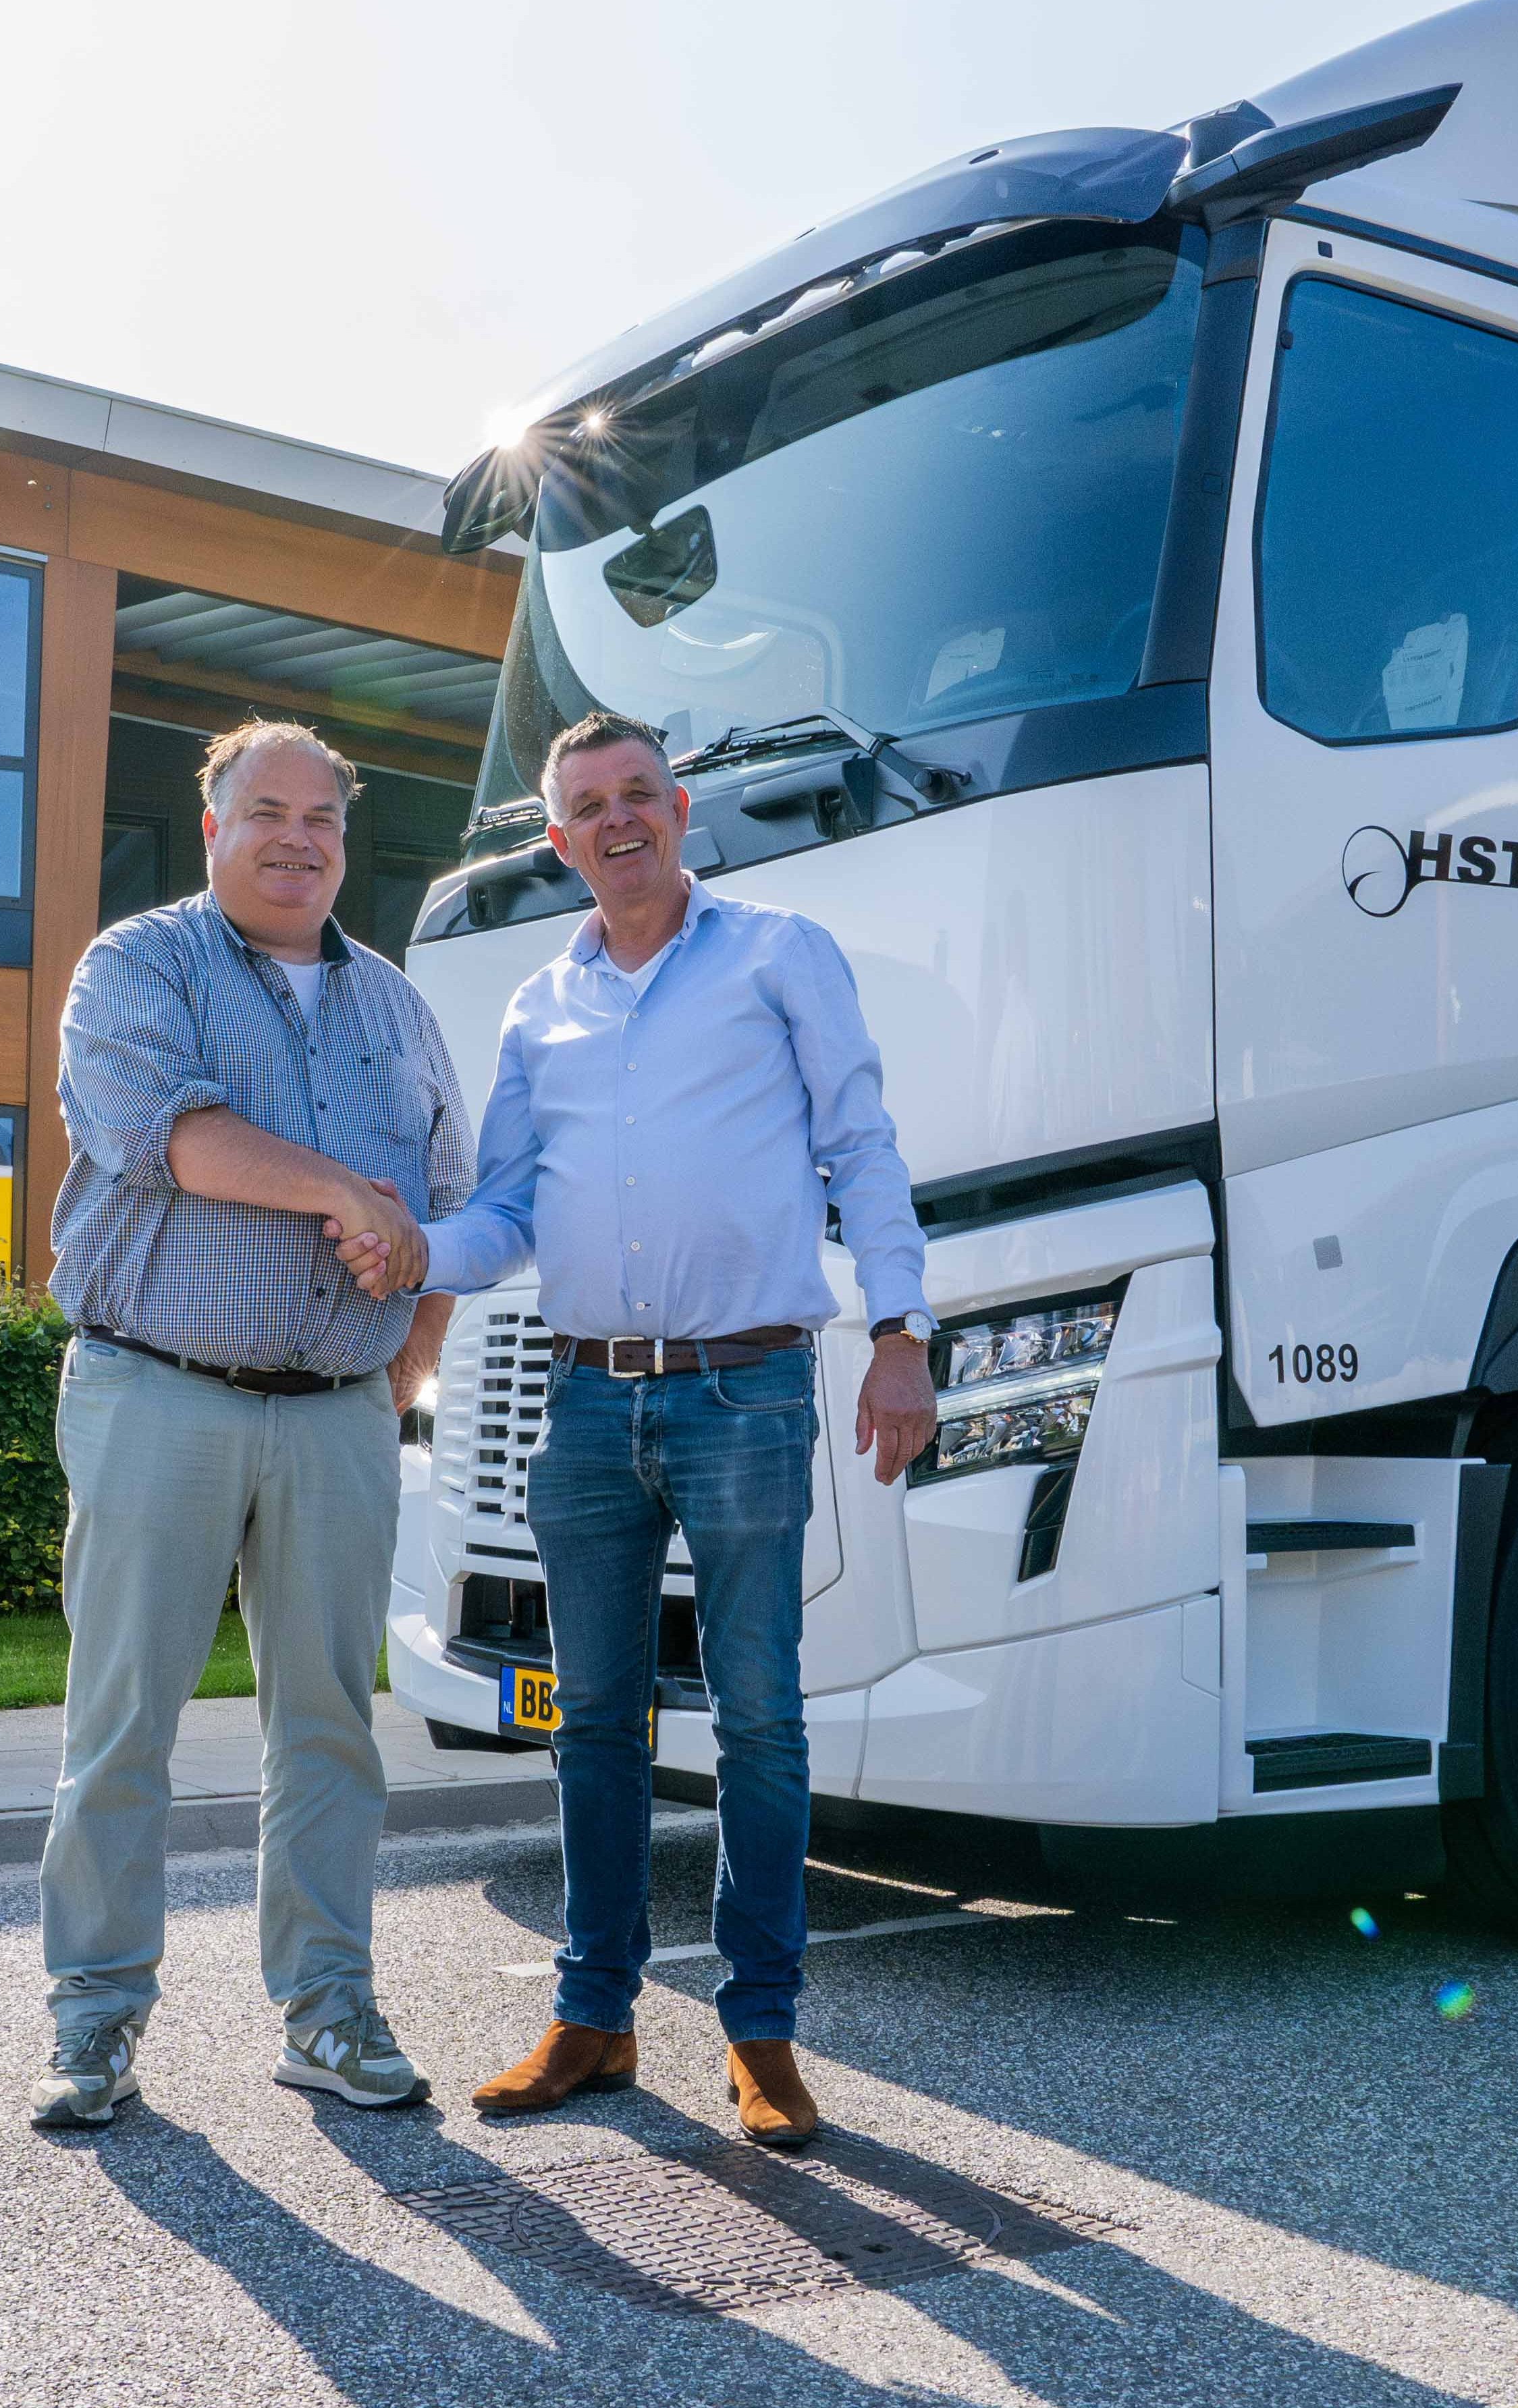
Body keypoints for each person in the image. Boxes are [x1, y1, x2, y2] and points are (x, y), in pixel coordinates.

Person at [423, 712, 931, 2149]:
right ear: (558, 839)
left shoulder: (780, 954)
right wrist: (412, 1251)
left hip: (744, 1391)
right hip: (586, 1398)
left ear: (681, 809)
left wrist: (902, 1331)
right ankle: (594, 2016)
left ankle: (760, 2031)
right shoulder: (539, 1007)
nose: (619, 819)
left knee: (759, 1719)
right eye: (589, 804)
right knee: (593, 1719)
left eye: (639, 792)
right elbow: (506, 1208)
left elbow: (861, 1147)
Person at [24, 721, 464, 2130]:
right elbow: (175, 1136)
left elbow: (446, 1212)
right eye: (266, 811)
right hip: (158, 1390)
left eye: (321, 817)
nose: (297, 838)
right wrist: (345, 1192)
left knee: (331, 1729)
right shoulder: (139, 965)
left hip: (339, 1413)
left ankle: (329, 2011)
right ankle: (95, 2020)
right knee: (123, 1725)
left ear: (345, 838)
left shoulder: (398, 1007)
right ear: (212, 827)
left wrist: (408, 1360)